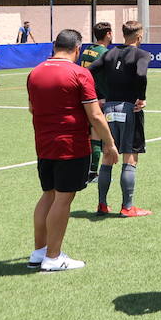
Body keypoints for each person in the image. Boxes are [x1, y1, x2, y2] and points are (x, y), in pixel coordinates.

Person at [26, 29, 119, 271]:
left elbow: (31, 109)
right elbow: (96, 115)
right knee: (63, 199)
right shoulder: (79, 73)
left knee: (48, 194)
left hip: (43, 144)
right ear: (77, 49)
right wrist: (109, 144)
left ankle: (40, 251)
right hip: (71, 145)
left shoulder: (34, 73)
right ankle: (53, 257)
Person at [91, 20, 152, 217]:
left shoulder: (109, 53)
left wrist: (99, 93)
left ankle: (102, 204)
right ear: (139, 37)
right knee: (130, 157)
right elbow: (141, 74)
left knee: (109, 155)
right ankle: (127, 207)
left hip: (109, 108)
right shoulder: (142, 54)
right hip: (129, 109)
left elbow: (89, 71)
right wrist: (141, 98)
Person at [79, 22, 112, 183]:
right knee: (98, 136)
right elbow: (106, 78)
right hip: (98, 98)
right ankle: (93, 172)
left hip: (85, 96)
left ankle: (88, 171)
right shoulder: (105, 53)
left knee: (91, 135)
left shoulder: (87, 50)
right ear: (108, 34)